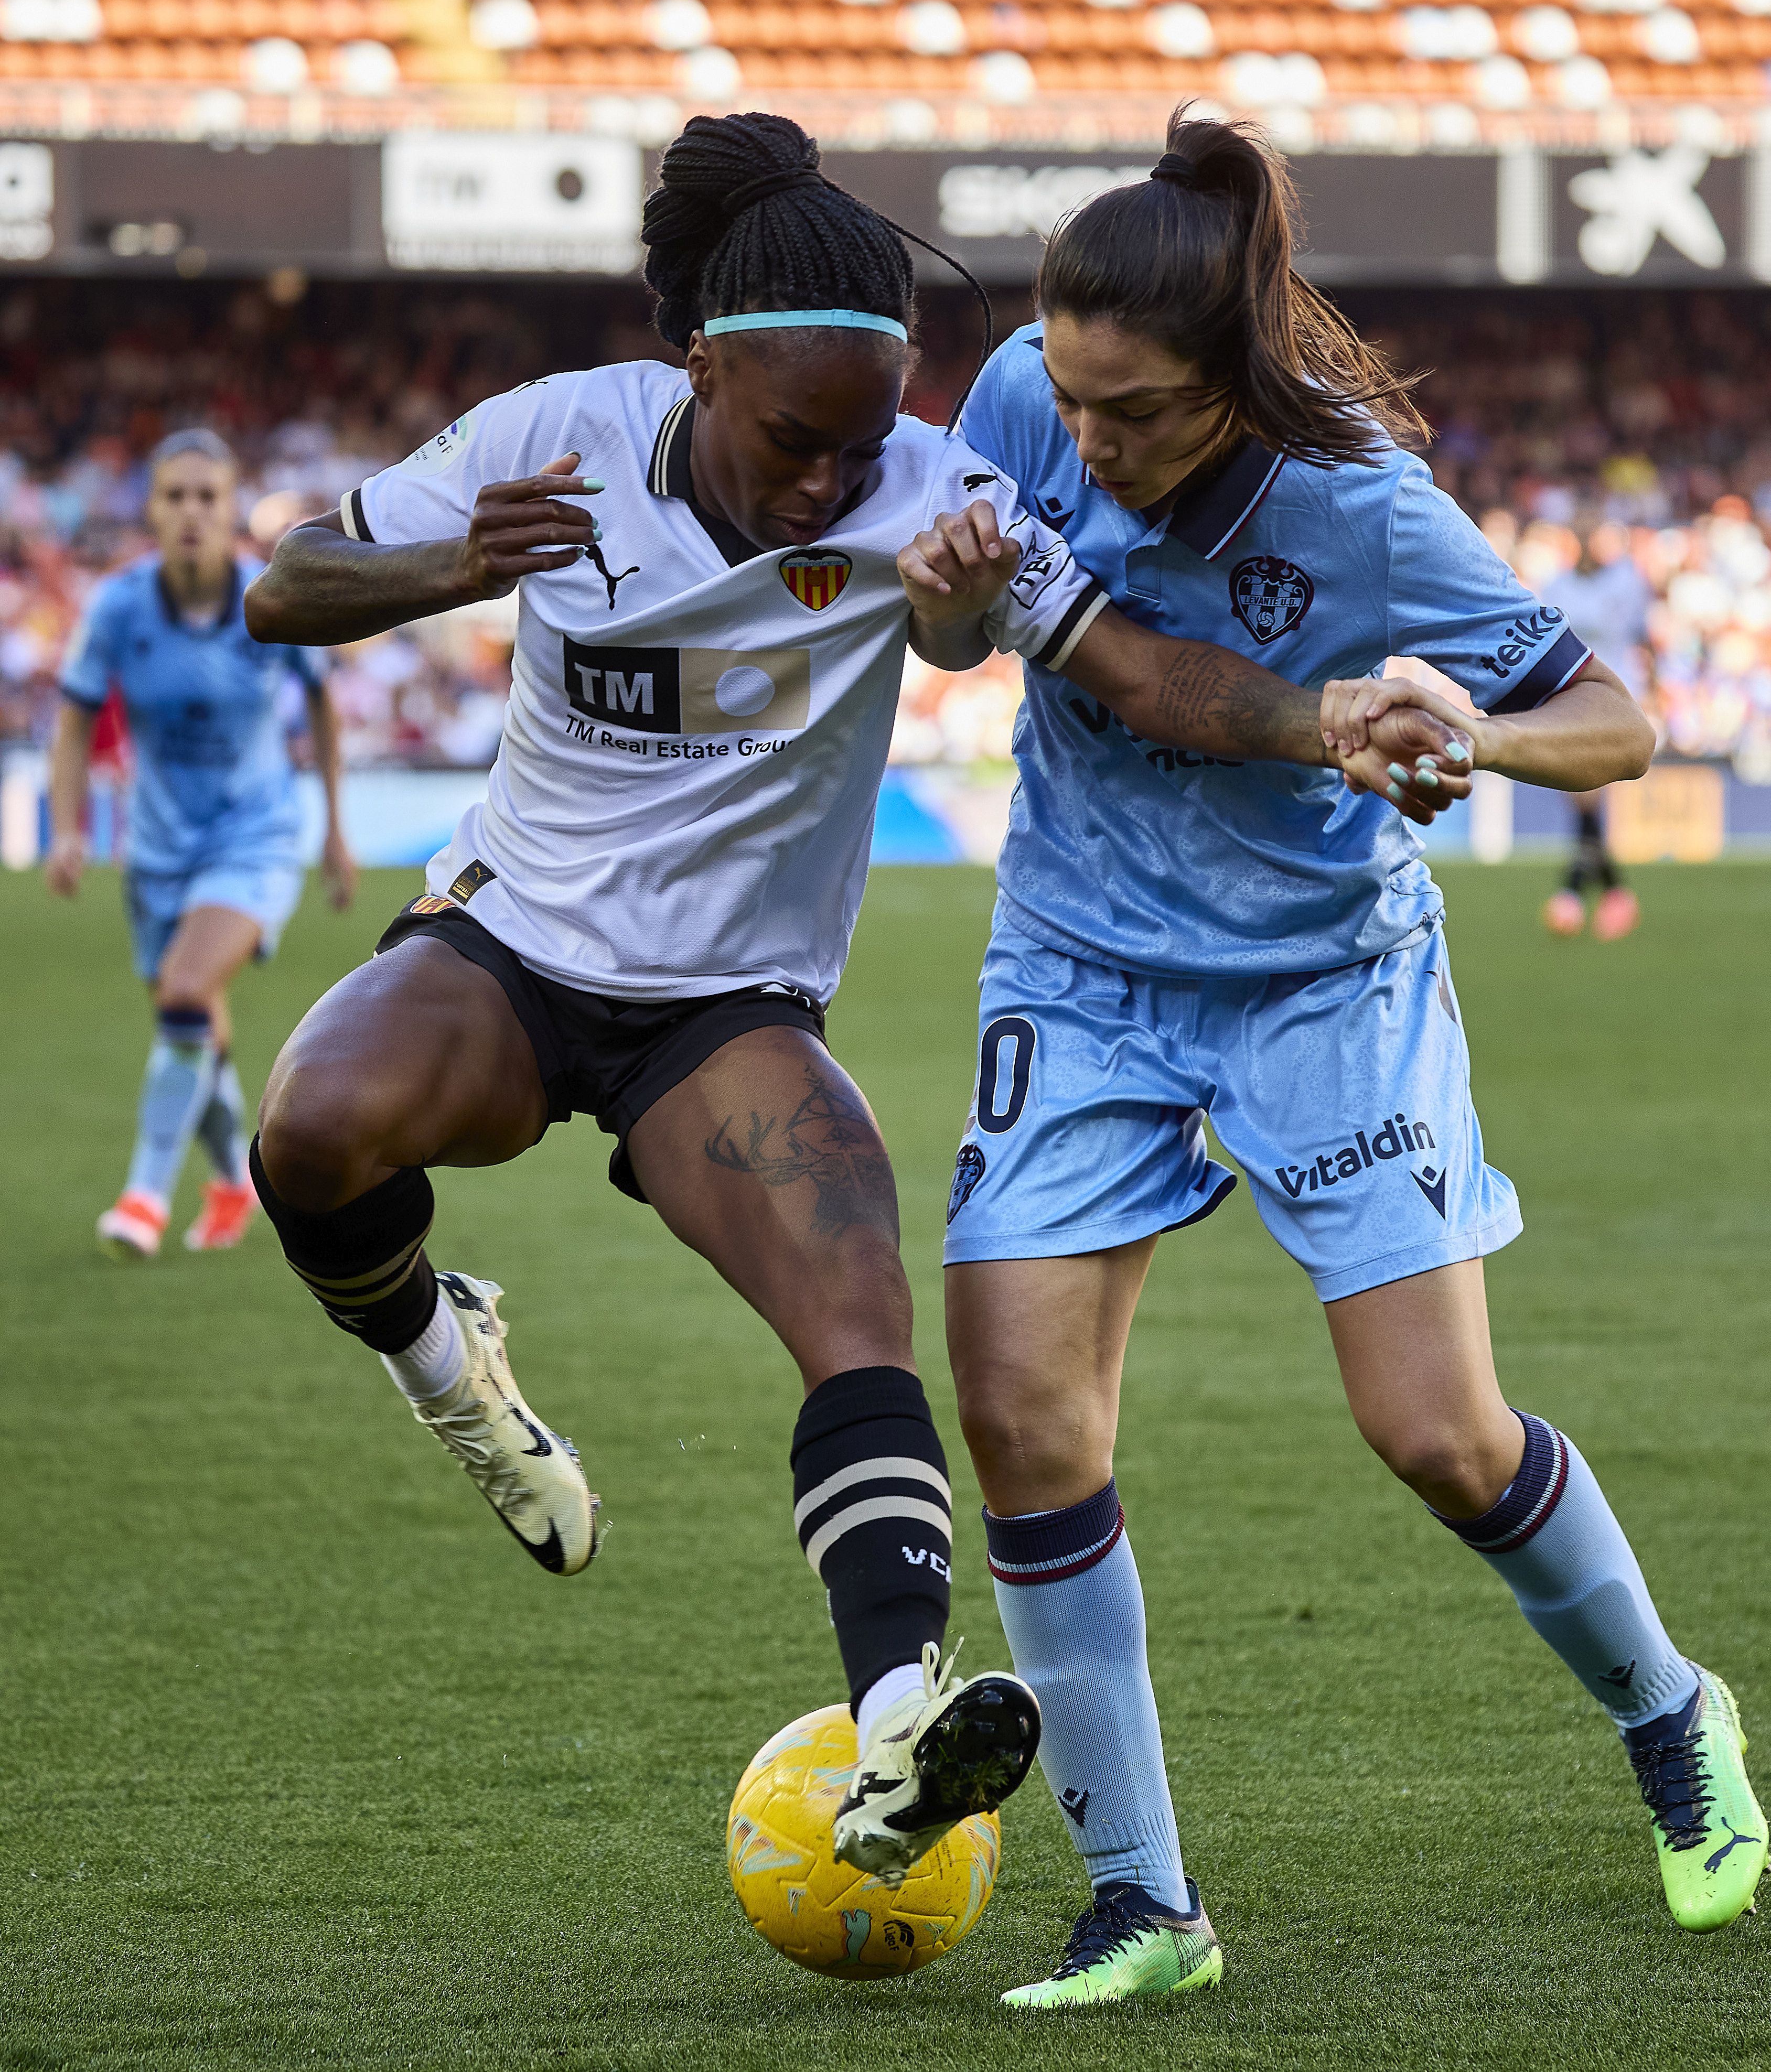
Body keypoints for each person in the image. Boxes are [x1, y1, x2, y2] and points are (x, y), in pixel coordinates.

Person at [241, 112, 1462, 1879]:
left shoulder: (931, 498)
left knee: (854, 1309)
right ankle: (449, 1367)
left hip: (722, 1010)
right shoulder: (553, 441)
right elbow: (285, 580)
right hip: (509, 949)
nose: (826, 481)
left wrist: (1324, 720)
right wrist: (447, 565)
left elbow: (1144, 674)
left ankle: (897, 1730)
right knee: (309, 1131)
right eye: (789, 440)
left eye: (855, 436)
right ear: (694, 371)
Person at [921, 113, 1768, 2005]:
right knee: (1020, 1414)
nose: (1088, 441)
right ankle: (1144, 1903)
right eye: (1069, 398)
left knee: (1436, 1433)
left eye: (1129, 413)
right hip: (1076, 958)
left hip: (1323, 981)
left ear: (1227, 387)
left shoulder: (1368, 503)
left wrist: (1474, 729)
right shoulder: (1024, 392)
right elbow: (959, 628)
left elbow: (1614, 727)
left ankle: (1666, 1704)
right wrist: (955, 579)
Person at [47, 428, 355, 1261]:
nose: (192, 511)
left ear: (231, 509)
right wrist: (70, 829)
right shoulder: (117, 606)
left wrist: (334, 827)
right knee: (198, 1024)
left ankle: (144, 1196)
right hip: (156, 852)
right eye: (175, 495)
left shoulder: (273, 598)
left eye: (207, 496)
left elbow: (324, 706)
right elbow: (73, 721)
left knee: (186, 990)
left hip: (253, 840)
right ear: (151, 508)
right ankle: (232, 1182)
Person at [1539, 521, 1653, 939]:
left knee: (1585, 795)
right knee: (1581, 799)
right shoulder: (1556, 586)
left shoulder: (1627, 581)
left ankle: (1573, 893)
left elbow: (1644, 638)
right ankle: (1610, 893)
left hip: (1615, 697)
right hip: (1571, 698)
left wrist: (1652, 689)